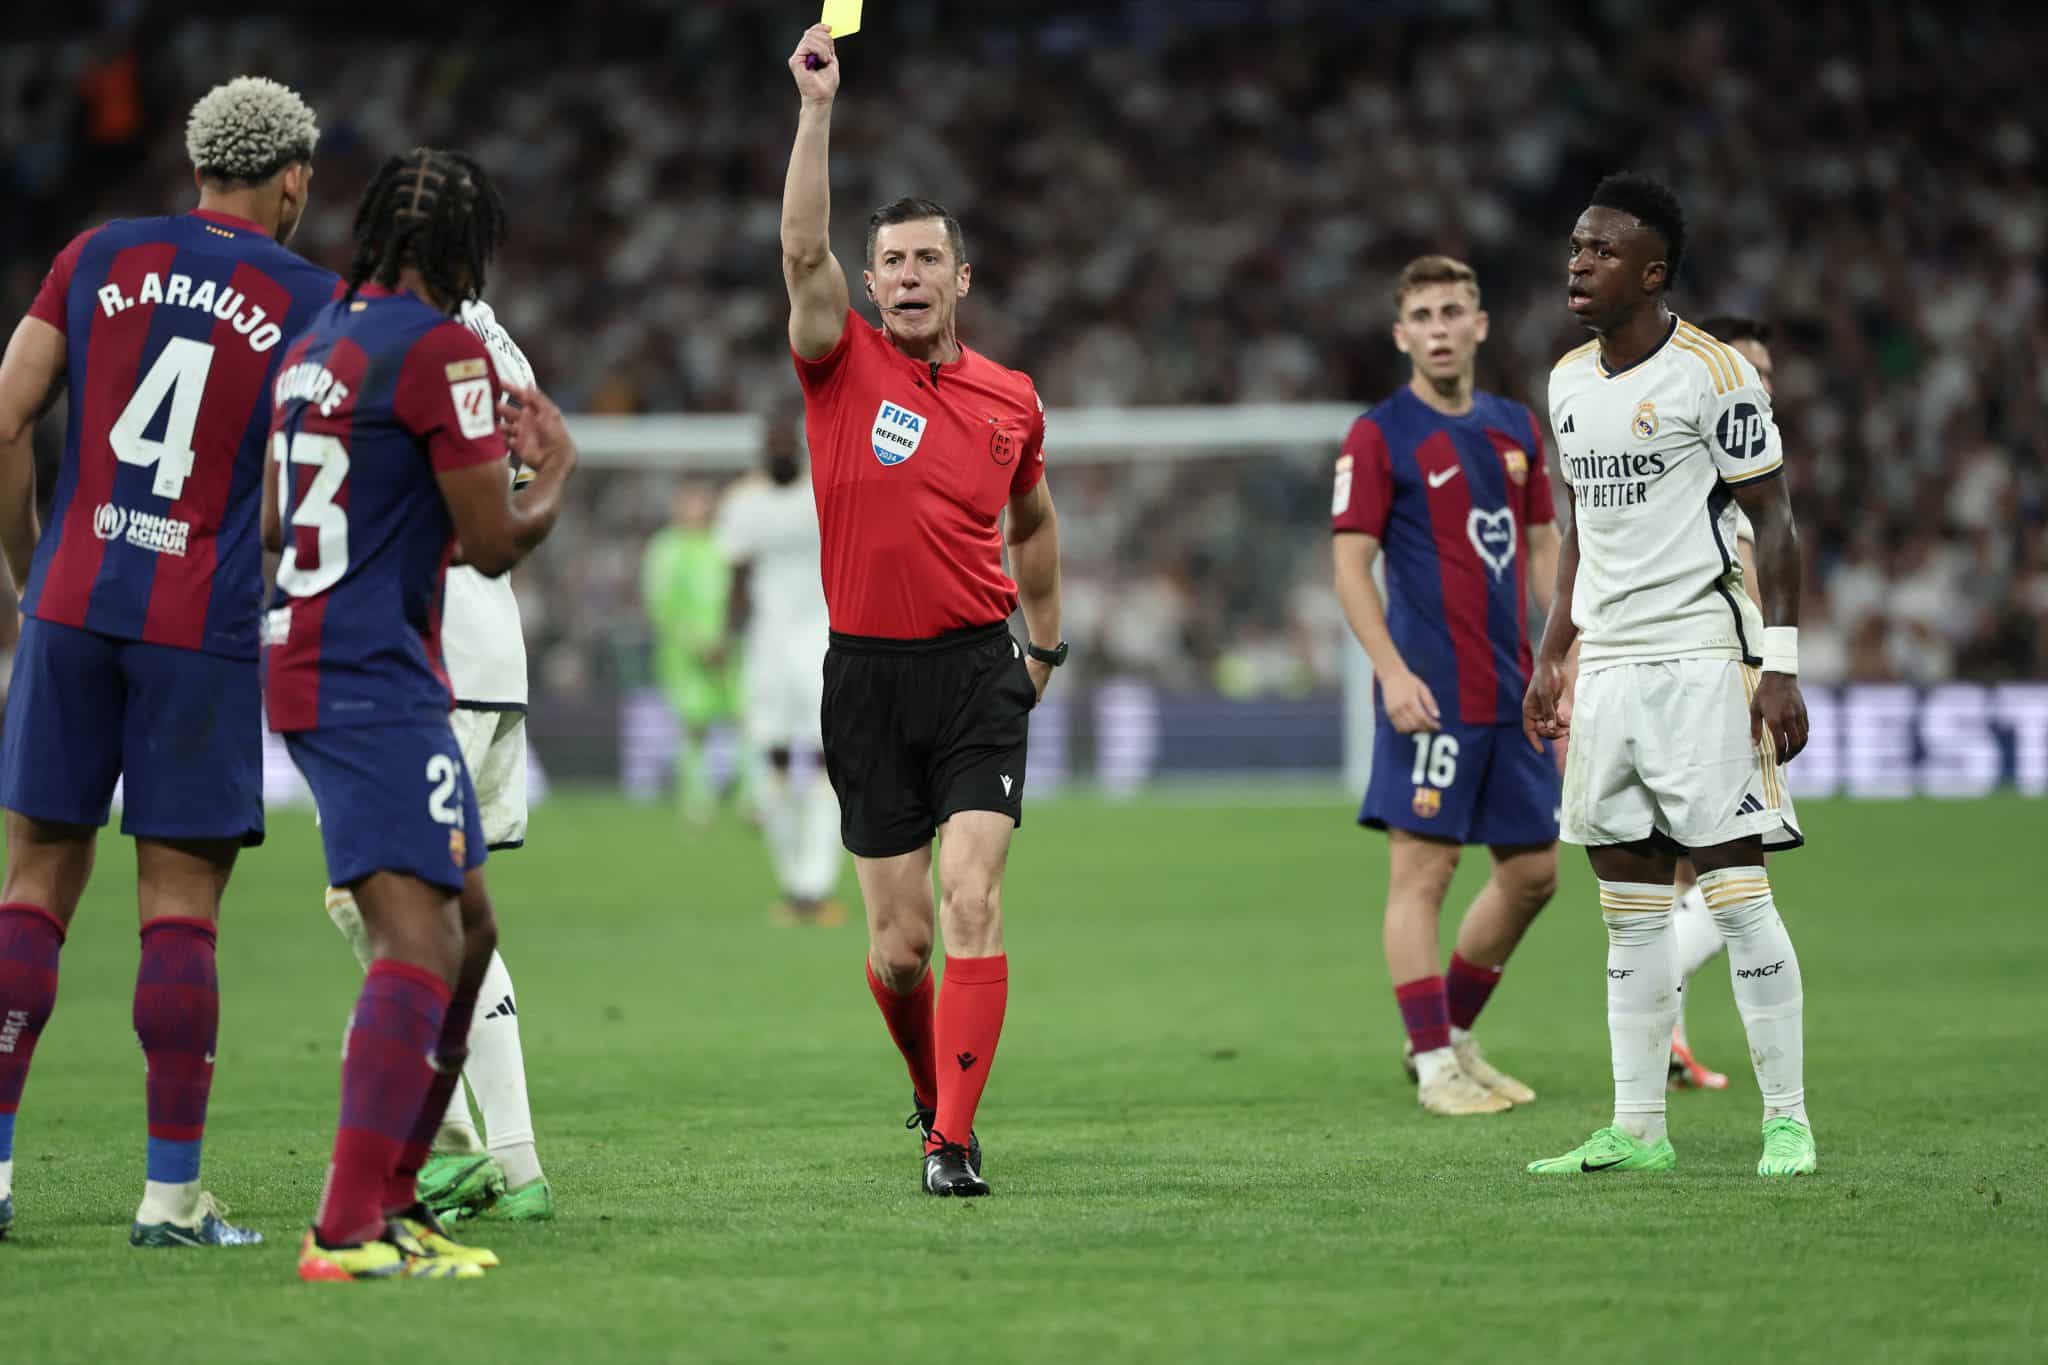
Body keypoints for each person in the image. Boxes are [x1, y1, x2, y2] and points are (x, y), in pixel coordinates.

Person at [0, 75, 337, 1248]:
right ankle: (168, 1197)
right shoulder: (311, 298)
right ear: (292, 178)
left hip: (72, 601)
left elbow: (4, 416)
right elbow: (315, 488)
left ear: (198, 164)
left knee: (33, 884)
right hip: (200, 620)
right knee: (179, 912)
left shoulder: (95, 254)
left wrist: (29, 570)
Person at [265, 148, 575, 1280]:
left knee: (466, 928)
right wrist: (556, 474)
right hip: (375, 671)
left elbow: (266, 518)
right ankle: (349, 1224)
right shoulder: (442, 347)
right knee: (416, 937)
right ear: (462, 252)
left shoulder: (316, 345)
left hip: (335, 657)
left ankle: (398, 1199)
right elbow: (495, 540)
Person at [781, 23, 1065, 1197]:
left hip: (972, 675)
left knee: (970, 900)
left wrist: (1043, 645)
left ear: (959, 279)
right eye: (884, 261)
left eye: (920, 261)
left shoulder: (1010, 399)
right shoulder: (836, 362)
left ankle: (953, 1141)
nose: (899, 276)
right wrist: (815, 111)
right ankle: (926, 1091)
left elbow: (1035, 523)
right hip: (864, 679)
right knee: (898, 953)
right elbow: (802, 254)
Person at [1524, 173, 1815, 1178]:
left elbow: (1772, 521)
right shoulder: (1564, 381)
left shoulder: (1713, 372)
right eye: (1574, 246)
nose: (1577, 263)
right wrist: (1550, 652)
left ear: (1650, 272)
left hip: (1698, 657)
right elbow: (1575, 530)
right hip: (1604, 667)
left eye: (1599, 252)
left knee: (1733, 892)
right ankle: (1636, 1128)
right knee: (1627, 903)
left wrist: (1774, 666)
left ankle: (1786, 1119)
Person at [321, 294, 555, 1223]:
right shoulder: (494, 335)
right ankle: (516, 1161)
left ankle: (453, 1147)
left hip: (434, 653)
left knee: (373, 900)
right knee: (460, 908)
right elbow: (526, 469)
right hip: (495, 648)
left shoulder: (393, 341)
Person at [1332, 255, 1564, 1117]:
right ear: (1402, 335)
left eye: (1452, 311)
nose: (1437, 327)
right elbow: (1350, 565)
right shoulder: (1377, 434)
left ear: (1480, 325)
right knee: (1422, 877)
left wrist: (1559, 652)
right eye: (1422, 314)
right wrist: (1390, 671)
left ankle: (1449, 1034)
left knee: (1536, 872)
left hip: (1513, 694)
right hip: (1429, 696)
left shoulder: (1516, 428)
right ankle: (1434, 1064)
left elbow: (1544, 543)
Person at [1664, 315, 1777, 1092]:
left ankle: (1666, 1037)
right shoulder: (1722, 486)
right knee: (1740, 873)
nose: (1758, 383)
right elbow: (1741, 583)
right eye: (1744, 369)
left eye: (1766, 372)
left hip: (1674, 686)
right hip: (1716, 687)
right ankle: (1653, 983)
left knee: (1679, 875)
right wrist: (1769, 671)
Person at [714, 415, 844, 926]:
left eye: (788, 442)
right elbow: (737, 577)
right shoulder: (744, 504)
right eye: (774, 444)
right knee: (773, 765)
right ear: (763, 452)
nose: (781, 451)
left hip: (821, 641)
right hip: (767, 647)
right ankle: (793, 883)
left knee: (821, 765)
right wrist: (727, 636)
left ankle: (816, 883)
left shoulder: (826, 491)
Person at [642, 480, 740, 828]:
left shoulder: (723, 544)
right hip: (684, 656)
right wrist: (693, 642)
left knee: (745, 720)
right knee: (693, 727)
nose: (697, 508)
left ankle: (751, 798)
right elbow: (659, 605)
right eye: (690, 501)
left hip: (728, 649)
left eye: (702, 500)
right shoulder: (665, 548)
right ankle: (696, 803)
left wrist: (728, 637)